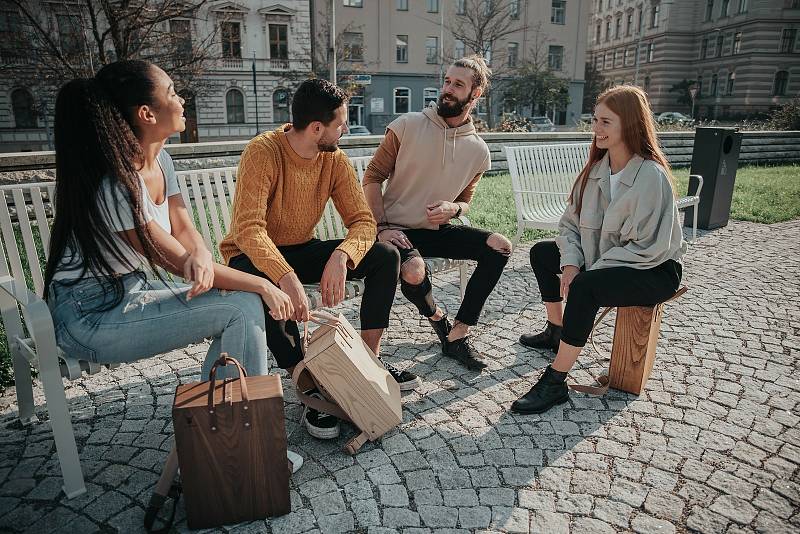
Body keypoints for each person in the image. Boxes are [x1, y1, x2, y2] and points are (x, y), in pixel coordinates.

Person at [43, 60, 302, 470]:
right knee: (244, 304)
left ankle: (224, 436)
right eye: (171, 92)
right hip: (89, 316)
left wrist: (200, 252)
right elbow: (175, 259)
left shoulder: (161, 161)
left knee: (240, 305)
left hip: (129, 291)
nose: (181, 99)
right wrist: (265, 285)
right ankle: (245, 445)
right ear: (147, 114)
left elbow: (183, 226)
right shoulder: (115, 185)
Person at [220, 78, 408, 440]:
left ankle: (366, 362)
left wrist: (342, 254)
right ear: (317, 128)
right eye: (341, 124)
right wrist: (286, 276)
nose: (346, 129)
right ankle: (308, 386)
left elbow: (364, 221)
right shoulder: (264, 151)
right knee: (268, 286)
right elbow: (248, 229)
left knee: (385, 255)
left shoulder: (333, 158)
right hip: (250, 255)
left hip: (301, 247)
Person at [511, 85, 687, 415]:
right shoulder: (596, 170)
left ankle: (556, 381)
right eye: (595, 120)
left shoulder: (651, 176)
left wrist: (589, 270)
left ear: (630, 125)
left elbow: (649, 248)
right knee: (542, 253)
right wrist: (571, 263)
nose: (596, 129)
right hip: (601, 260)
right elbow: (570, 226)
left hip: (654, 269)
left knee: (586, 287)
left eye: (606, 122)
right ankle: (556, 331)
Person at [363, 56, 512, 372]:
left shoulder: (478, 151)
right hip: (396, 230)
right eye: (446, 81)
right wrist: (382, 226)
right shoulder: (407, 126)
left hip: (436, 230)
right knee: (414, 270)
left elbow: (466, 201)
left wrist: (454, 208)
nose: (447, 89)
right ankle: (438, 318)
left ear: (475, 95)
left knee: (500, 246)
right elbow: (372, 176)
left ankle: (459, 333)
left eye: (458, 85)